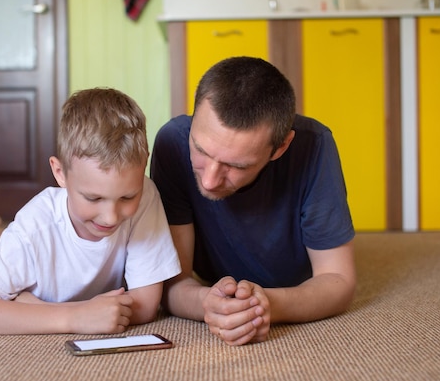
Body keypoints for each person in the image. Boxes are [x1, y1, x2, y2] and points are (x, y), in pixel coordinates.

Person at [150, 56, 356, 346]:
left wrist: (265, 305)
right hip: (213, 283)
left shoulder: (315, 146)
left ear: (280, 147)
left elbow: (338, 280)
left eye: (237, 166)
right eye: (200, 150)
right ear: (194, 115)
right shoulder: (172, 141)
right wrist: (207, 303)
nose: (209, 181)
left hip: (292, 282)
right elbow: (173, 281)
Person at [0, 88, 181, 335]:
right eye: (93, 198)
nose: (111, 217)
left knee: (12, 255)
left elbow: (146, 305)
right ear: (60, 173)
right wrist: (75, 317)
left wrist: (40, 308)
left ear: (143, 164)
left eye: (127, 197)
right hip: (31, 241)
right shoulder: (34, 226)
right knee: (2, 244)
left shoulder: (145, 194)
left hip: (40, 266)